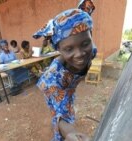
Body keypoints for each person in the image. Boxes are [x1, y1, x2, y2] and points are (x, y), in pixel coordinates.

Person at [33, 1, 96, 140]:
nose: (80, 53)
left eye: (85, 43)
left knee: (69, 101)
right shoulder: (54, 80)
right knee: (62, 116)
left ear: (91, 36)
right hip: (57, 88)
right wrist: (69, 133)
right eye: (69, 49)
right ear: (59, 49)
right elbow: (61, 118)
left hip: (70, 87)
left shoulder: (91, 50)